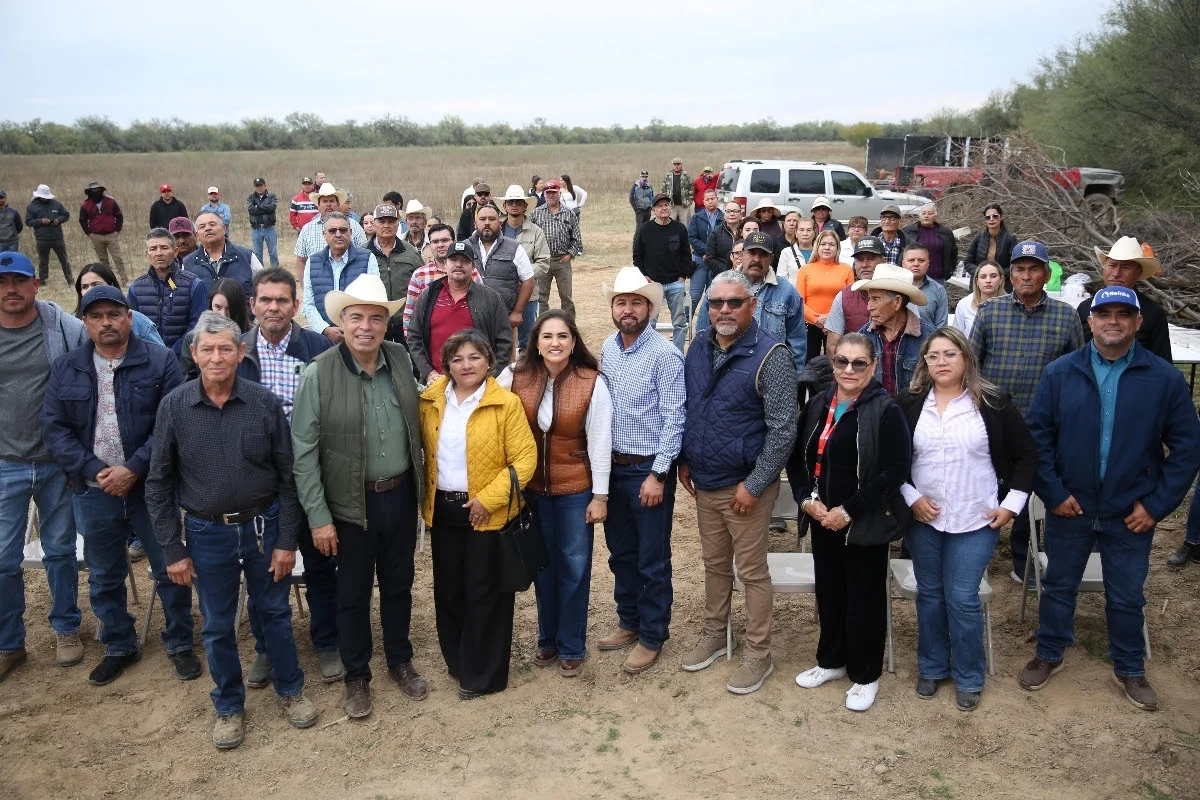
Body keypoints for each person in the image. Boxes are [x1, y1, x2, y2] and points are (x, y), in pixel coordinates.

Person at [1020, 286, 1200, 712]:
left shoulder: (1164, 378)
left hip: (1130, 511)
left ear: (1138, 322)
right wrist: (1054, 492)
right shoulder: (1060, 373)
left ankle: (1130, 666)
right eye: (1104, 314)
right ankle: (1049, 652)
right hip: (1071, 506)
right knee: (1059, 585)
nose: (1112, 321)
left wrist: (1156, 505)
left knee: (1127, 594)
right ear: (1090, 321)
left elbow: (1187, 448)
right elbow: (1038, 437)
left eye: (1123, 314)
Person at [145, 311, 317, 750]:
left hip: (263, 526)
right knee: (218, 624)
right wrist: (172, 549)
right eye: (208, 349)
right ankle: (228, 705)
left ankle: (291, 690)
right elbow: (159, 483)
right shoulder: (175, 407)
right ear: (194, 353)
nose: (217, 357)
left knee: (275, 613)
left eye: (226, 348)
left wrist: (286, 541)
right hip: (206, 533)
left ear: (242, 353)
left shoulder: (263, 403)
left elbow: (288, 478)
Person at [41, 284, 199, 686]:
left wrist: (134, 468)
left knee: (170, 567)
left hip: (151, 488)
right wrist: (95, 469)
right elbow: (55, 430)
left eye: (114, 314)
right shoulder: (67, 368)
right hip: (94, 491)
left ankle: (180, 641)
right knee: (104, 573)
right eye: (96, 316)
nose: (106, 322)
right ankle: (119, 644)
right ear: (84, 323)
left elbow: (171, 423)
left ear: (129, 318)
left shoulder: (160, 361)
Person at [291, 274, 428, 716]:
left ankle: (400, 660)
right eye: (356, 318)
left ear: (386, 323)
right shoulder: (319, 372)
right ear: (342, 322)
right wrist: (318, 517)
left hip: (399, 497)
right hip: (349, 505)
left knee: (398, 585)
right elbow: (303, 453)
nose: (366, 326)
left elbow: (423, 406)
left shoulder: (399, 359)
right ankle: (356, 675)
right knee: (351, 593)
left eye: (375, 318)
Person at [897, 327, 1037, 711]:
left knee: (962, 598)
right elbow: (891, 460)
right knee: (930, 595)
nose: (941, 362)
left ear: (966, 357)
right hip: (923, 519)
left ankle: (969, 675)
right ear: (924, 362)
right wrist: (911, 497)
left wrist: (1012, 504)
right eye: (933, 356)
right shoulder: (909, 403)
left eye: (950, 354)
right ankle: (932, 666)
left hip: (975, 517)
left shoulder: (992, 402)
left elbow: (1027, 455)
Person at [679, 270, 798, 694]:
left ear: (753, 305)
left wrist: (756, 483)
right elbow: (692, 407)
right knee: (714, 565)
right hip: (706, 480)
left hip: (745, 486)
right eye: (716, 303)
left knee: (751, 572)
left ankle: (758, 653)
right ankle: (716, 633)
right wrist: (686, 458)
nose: (724, 310)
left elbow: (783, 430)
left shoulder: (772, 355)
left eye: (734, 302)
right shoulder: (699, 346)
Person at [788, 332, 911, 712]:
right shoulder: (819, 403)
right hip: (822, 517)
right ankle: (831, 661)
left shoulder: (885, 410)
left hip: (863, 522)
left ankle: (865, 673)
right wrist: (807, 500)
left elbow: (895, 471)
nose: (849, 369)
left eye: (859, 363)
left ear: (872, 367)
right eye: (842, 361)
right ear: (833, 362)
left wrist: (849, 510)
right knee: (830, 591)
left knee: (865, 598)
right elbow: (796, 459)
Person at [235, 268, 339, 687]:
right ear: (253, 305)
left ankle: (327, 641)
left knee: (321, 564)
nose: (274, 307)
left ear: (296, 305)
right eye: (266, 300)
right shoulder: (238, 351)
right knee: (263, 569)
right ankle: (266, 647)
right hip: (259, 481)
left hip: (311, 477)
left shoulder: (317, 348)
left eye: (282, 300)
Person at [418, 329, 536, 698]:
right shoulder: (430, 400)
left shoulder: (505, 403)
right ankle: (458, 660)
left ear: (488, 361)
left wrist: (488, 500)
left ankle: (484, 675)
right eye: (457, 359)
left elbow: (525, 460)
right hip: (444, 510)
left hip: (487, 512)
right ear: (446, 365)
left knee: (486, 592)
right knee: (450, 589)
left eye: (474, 357)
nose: (466, 365)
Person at [499, 310, 611, 677]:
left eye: (563, 336)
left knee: (574, 566)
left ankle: (572, 644)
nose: (555, 343)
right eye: (547, 336)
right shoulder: (516, 376)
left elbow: (600, 441)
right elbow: (487, 405)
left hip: (575, 488)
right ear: (535, 342)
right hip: (533, 489)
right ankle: (547, 639)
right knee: (542, 565)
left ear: (574, 342)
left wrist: (600, 496)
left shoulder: (591, 382)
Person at [970, 240, 1084, 582]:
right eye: (1019, 269)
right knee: (985, 484)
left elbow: (1077, 373)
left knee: (1029, 488)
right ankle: (975, 556)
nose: (1026, 275)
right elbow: (971, 365)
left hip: (1042, 422)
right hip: (993, 418)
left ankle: (1024, 559)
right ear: (1010, 275)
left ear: (1046, 274)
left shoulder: (1066, 316)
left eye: (1034, 269)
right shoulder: (990, 311)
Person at [0, 252, 88, 683]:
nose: (10, 289)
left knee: (59, 550)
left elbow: (87, 384)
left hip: (58, 461)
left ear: (36, 284)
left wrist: (79, 454)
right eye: (2, 282)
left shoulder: (64, 329)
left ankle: (67, 628)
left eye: (19, 281)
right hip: (5, 463)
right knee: (3, 558)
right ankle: (9, 643)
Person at [598, 267, 686, 675]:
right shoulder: (609, 347)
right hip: (613, 468)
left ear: (650, 309)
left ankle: (652, 634)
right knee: (621, 553)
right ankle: (629, 619)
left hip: (647, 470)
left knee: (652, 557)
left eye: (636, 302)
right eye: (621, 302)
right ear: (613, 308)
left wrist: (659, 474)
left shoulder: (665, 355)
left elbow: (675, 418)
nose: (628, 310)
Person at [695, 233, 807, 376]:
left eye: (763, 254)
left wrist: (793, 379)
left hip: (771, 374)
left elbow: (797, 343)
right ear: (742, 255)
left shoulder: (787, 292)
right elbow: (703, 334)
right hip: (725, 372)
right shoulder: (719, 286)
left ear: (771, 258)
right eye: (752, 253)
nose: (756, 259)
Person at [407, 241, 511, 382]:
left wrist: (489, 377)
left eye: (465, 261)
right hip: (435, 382)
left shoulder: (491, 298)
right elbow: (414, 336)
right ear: (445, 264)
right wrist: (428, 372)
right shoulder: (429, 295)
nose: (458, 265)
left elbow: (505, 342)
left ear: (473, 266)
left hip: (477, 384)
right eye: (453, 260)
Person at [1076, 237, 1171, 362]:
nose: (1116, 273)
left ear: (1138, 273)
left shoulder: (1153, 312)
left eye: (1125, 267)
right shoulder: (1085, 307)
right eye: (1112, 265)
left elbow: (1163, 361)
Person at [855, 263, 934, 396]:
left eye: (876, 299)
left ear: (897, 302)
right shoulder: (863, 336)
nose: (869, 307)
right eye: (869, 299)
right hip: (875, 408)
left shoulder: (929, 337)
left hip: (912, 408)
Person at [127, 228, 208, 355]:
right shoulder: (136, 288)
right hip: (148, 357)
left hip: (184, 358)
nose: (159, 253)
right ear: (147, 254)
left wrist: (172, 353)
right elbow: (132, 327)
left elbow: (198, 325)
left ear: (175, 251)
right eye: (153, 249)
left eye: (164, 248)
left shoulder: (194, 284)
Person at [301, 212, 380, 342]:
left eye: (343, 230)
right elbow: (308, 304)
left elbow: (374, 299)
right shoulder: (313, 262)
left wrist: (354, 328)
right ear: (324, 234)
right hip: (323, 338)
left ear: (350, 232)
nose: (338, 234)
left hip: (359, 336)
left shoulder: (367, 258)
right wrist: (325, 329)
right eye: (332, 231)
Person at [632, 194, 692, 352]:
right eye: (659, 206)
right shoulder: (645, 229)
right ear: (653, 210)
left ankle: (678, 353)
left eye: (666, 205)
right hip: (652, 284)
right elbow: (637, 255)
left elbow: (686, 255)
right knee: (649, 323)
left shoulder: (680, 228)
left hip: (675, 283)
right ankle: (650, 353)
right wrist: (643, 276)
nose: (664, 208)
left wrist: (682, 277)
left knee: (679, 322)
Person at [468, 203, 535, 338]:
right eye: (482, 219)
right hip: (469, 319)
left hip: (504, 319)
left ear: (499, 223)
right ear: (475, 224)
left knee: (504, 352)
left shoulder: (514, 248)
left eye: (492, 219)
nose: (487, 223)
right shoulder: (464, 247)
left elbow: (528, 280)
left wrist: (517, 312)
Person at [402, 224, 481, 336]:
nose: (440, 245)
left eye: (445, 240)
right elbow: (409, 315)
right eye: (435, 242)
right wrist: (413, 343)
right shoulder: (419, 275)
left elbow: (482, 307)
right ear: (430, 245)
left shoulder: (471, 272)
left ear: (454, 242)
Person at [497, 186, 552, 346]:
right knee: (499, 339)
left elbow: (543, 262)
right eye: (511, 202)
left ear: (525, 206)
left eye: (518, 202)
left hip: (528, 295)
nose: (514, 205)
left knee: (527, 341)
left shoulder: (536, 232)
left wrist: (523, 275)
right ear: (504, 206)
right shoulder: (496, 231)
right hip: (500, 294)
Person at [363, 204, 421, 343]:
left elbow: (422, 284)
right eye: (381, 221)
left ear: (398, 224)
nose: (386, 225)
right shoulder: (363, 253)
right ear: (374, 224)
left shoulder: (410, 252)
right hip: (374, 322)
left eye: (391, 221)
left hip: (406, 322)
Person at [294, 184, 368, 286]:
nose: (328, 204)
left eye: (332, 201)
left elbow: (365, 256)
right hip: (319, 287)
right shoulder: (307, 229)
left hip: (350, 286)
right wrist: (305, 287)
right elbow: (301, 261)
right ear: (318, 206)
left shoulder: (354, 226)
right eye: (324, 201)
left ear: (338, 204)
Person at [795, 230, 854, 359]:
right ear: (817, 246)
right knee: (809, 363)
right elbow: (798, 301)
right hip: (810, 325)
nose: (827, 247)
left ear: (837, 248)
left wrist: (830, 320)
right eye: (823, 244)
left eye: (831, 244)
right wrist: (817, 319)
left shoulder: (847, 269)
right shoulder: (805, 270)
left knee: (835, 361)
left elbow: (849, 301)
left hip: (837, 325)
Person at [178, 278, 251, 380]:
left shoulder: (253, 337)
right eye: (218, 307)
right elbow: (187, 378)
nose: (222, 314)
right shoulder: (192, 338)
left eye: (228, 309)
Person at [76, 264, 163, 347]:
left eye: (96, 285)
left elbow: (161, 354)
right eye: (84, 287)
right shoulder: (74, 324)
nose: (90, 290)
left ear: (111, 285)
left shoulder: (138, 321)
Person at [825, 235, 885, 352]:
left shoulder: (899, 295)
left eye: (871, 259)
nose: (864, 265)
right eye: (860, 260)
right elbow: (833, 346)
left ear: (884, 262)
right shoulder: (843, 297)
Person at [530, 181, 581, 319]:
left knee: (566, 296)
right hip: (543, 261)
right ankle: (542, 325)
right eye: (548, 193)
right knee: (541, 297)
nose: (551, 195)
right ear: (544, 194)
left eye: (554, 192)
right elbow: (530, 236)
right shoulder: (536, 213)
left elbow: (576, 238)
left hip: (562, 261)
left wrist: (570, 255)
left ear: (559, 193)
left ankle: (569, 325)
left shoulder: (569, 213)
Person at [184, 212, 263, 299]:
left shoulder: (247, 256)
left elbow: (264, 289)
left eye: (212, 224)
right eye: (202, 227)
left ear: (224, 228)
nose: (208, 228)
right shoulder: (187, 263)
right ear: (196, 235)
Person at [25, 184, 73, 285]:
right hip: (42, 239)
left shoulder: (57, 204)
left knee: (64, 259)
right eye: (43, 196)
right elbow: (28, 221)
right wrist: (40, 221)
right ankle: (43, 281)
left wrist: (58, 220)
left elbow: (66, 215)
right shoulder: (32, 206)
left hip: (57, 237)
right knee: (43, 261)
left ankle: (70, 280)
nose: (45, 198)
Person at [79, 182, 125, 280]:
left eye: (98, 190)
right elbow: (82, 220)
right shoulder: (85, 205)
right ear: (89, 192)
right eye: (93, 190)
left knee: (118, 258)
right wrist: (89, 233)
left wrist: (117, 230)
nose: (96, 192)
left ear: (102, 190)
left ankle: (124, 279)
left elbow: (119, 216)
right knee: (103, 261)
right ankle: (109, 280)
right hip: (96, 236)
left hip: (111, 235)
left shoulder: (111, 202)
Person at [902, 203, 957, 284]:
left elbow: (953, 253)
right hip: (913, 276)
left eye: (930, 213)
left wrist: (949, 270)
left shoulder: (945, 232)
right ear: (919, 215)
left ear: (935, 215)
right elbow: (902, 252)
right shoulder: (908, 231)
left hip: (938, 277)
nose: (926, 216)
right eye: (923, 213)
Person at [687, 190, 724, 311]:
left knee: (713, 297)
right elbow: (692, 237)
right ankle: (686, 321)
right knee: (694, 296)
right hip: (700, 260)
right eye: (707, 199)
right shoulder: (696, 217)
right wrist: (707, 251)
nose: (710, 201)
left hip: (717, 262)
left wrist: (711, 254)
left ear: (717, 199)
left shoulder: (723, 218)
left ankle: (710, 322)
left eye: (712, 198)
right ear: (703, 202)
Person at [952, 260, 1005, 337]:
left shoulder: (1012, 305)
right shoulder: (964, 304)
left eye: (993, 276)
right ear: (976, 281)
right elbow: (956, 337)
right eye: (983, 277)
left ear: (1001, 279)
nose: (988, 281)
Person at [962, 203, 1016, 278]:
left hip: (1003, 281)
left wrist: (998, 275)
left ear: (1001, 217)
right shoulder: (978, 239)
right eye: (988, 217)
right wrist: (980, 273)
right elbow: (968, 262)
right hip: (979, 281)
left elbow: (1014, 264)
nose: (991, 219)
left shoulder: (1010, 239)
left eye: (995, 216)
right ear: (985, 220)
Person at [903, 244, 949, 328]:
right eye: (911, 260)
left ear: (928, 263)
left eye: (921, 260)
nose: (916, 264)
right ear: (903, 263)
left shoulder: (938, 290)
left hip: (929, 336)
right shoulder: (891, 287)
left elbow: (941, 327)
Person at [704, 201, 743, 286]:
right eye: (728, 211)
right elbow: (709, 258)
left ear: (740, 214)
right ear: (724, 214)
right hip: (721, 277)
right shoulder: (716, 232)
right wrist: (728, 271)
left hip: (745, 274)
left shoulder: (746, 231)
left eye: (735, 211)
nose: (732, 214)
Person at [247, 178, 280, 269]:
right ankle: (260, 273)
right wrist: (265, 208)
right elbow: (251, 210)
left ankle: (275, 272)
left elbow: (272, 208)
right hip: (256, 229)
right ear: (254, 187)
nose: (259, 188)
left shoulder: (271, 196)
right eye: (257, 186)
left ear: (265, 186)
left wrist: (257, 207)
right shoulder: (251, 197)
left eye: (261, 185)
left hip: (269, 228)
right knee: (257, 254)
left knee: (273, 253)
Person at [777, 217, 816, 282]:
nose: (805, 234)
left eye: (809, 230)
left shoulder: (820, 253)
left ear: (814, 233)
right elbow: (781, 278)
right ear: (796, 233)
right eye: (801, 230)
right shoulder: (786, 252)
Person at [662, 158, 693, 224]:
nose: (676, 166)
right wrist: (666, 203)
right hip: (672, 206)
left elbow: (691, 189)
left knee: (684, 225)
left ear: (681, 165)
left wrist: (689, 201)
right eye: (675, 164)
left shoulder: (686, 175)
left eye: (678, 164)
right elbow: (663, 190)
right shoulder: (667, 176)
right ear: (672, 165)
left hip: (684, 206)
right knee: (670, 224)